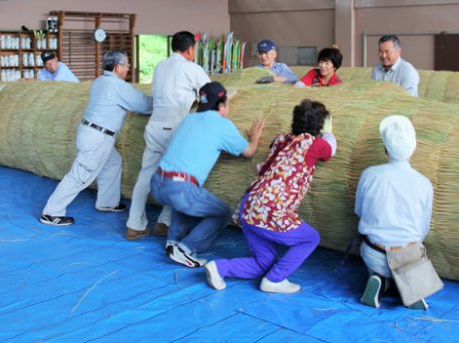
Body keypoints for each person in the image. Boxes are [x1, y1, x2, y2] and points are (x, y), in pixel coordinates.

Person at [204, 99, 337, 294]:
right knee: (309, 239)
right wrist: (329, 132)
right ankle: (274, 280)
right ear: (319, 125)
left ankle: (219, 268)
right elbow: (331, 149)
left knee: (264, 262)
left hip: (249, 206)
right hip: (270, 209)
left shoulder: (280, 139)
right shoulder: (313, 144)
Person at [150, 81, 265, 268]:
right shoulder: (222, 125)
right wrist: (254, 137)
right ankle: (186, 248)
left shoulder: (189, 119)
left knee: (183, 202)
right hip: (180, 188)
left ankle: (173, 242)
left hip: (157, 182)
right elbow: (249, 152)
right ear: (221, 106)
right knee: (221, 212)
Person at [40, 51, 152, 227]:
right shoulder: (117, 85)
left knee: (113, 162)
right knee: (79, 175)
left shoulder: (100, 81)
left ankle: (107, 202)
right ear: (117, 67)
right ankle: (51, 213)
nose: (128, 68)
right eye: (127, 65)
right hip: (98, 137)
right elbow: (144, 104)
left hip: (91, 133)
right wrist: (166, 103)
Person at [125, 31, 210, 241]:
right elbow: (212, 93)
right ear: (190, 49)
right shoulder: (192, 68)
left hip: (154, 126)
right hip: (175, 129)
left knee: (146, 176)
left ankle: (134, 225)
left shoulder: (160, 66)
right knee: (180, 177)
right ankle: (165, 222)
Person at [354, 115, 442, 310]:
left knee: (373, 254)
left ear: (385, 148)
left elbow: (359, 211)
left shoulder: (369, 174)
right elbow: (422, 228)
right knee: (411, 252)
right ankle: (409, 287)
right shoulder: (423, 183)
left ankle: (379, 279)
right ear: (413, 148)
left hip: (374, 252)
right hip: (408, 256)